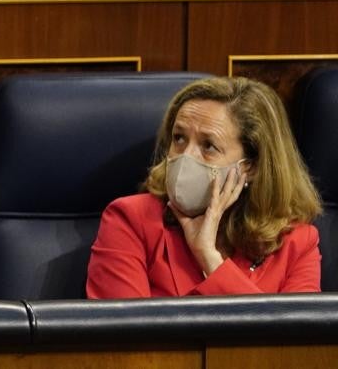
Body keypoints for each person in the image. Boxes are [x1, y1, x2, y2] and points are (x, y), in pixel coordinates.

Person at [87, 77, 322, 298]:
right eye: (179, 138)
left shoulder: (297, 243)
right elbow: (127, 336)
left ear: (250, 166)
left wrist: (209, 258)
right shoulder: (131, 220)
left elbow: (291, 339)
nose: (186, 156)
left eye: (208, 146)